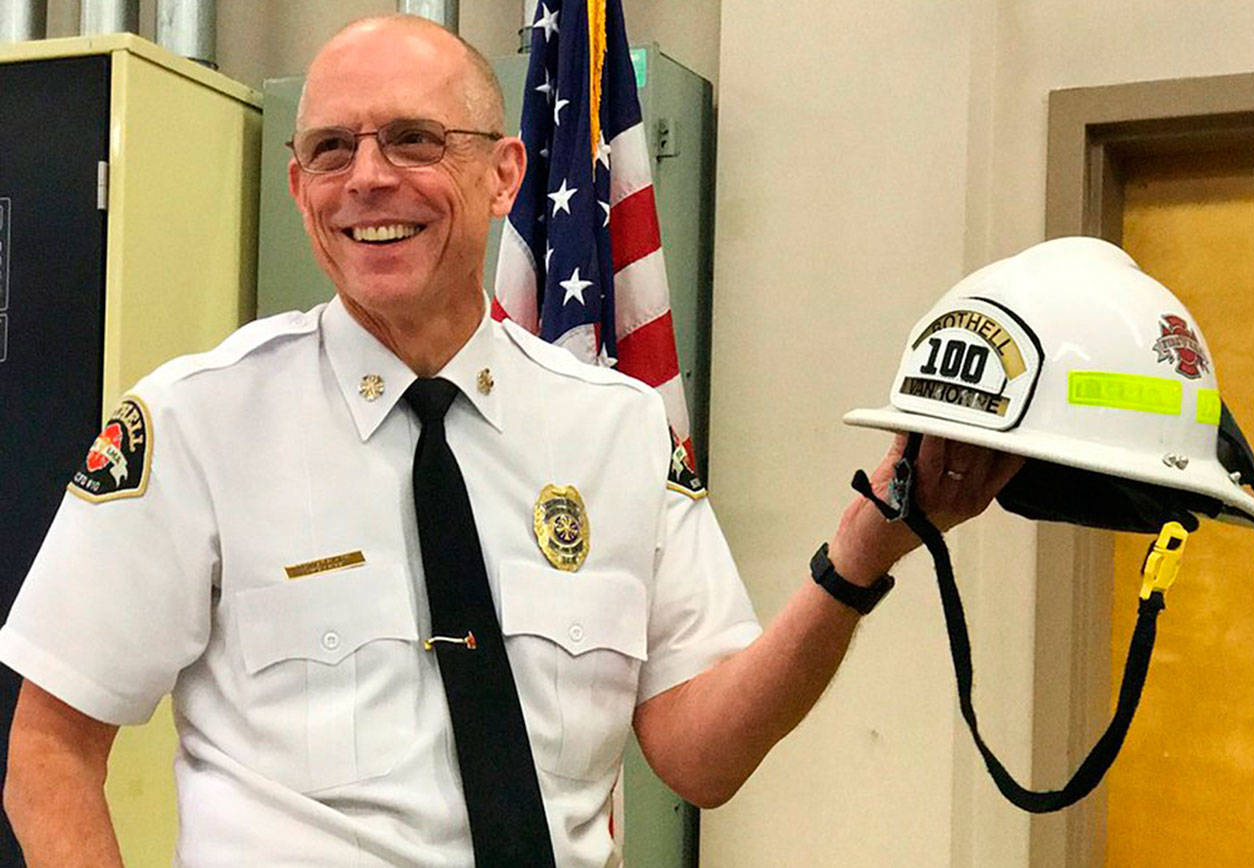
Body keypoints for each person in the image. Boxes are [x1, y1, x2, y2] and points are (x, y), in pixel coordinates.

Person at [0, 15, 1020, 867]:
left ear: (503, 173)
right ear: (298, 182)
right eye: (330, 149)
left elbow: (699, 756)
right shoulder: (196, 423)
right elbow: (48, 752)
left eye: (410, 139)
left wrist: (856, 560)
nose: (366, 179)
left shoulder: (616, 430)